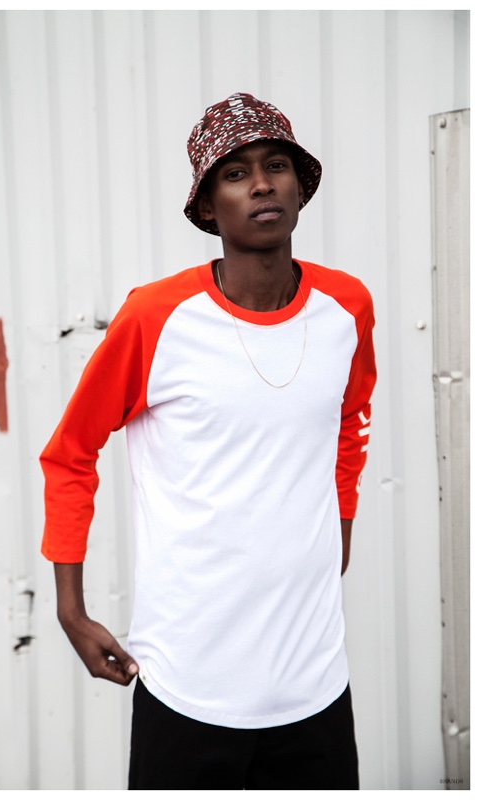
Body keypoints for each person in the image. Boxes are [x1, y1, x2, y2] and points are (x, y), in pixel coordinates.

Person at [40, 92, 377, 790]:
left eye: (276, 165)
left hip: (314, 684)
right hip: (187, 687)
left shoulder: (346, 307)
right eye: (235, 173)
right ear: (206, 207)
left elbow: (350, 420)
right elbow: (70, 452)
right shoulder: (156, 317)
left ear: (300, 186)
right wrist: (70, 608)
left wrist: (338, 529)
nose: (261, 184)